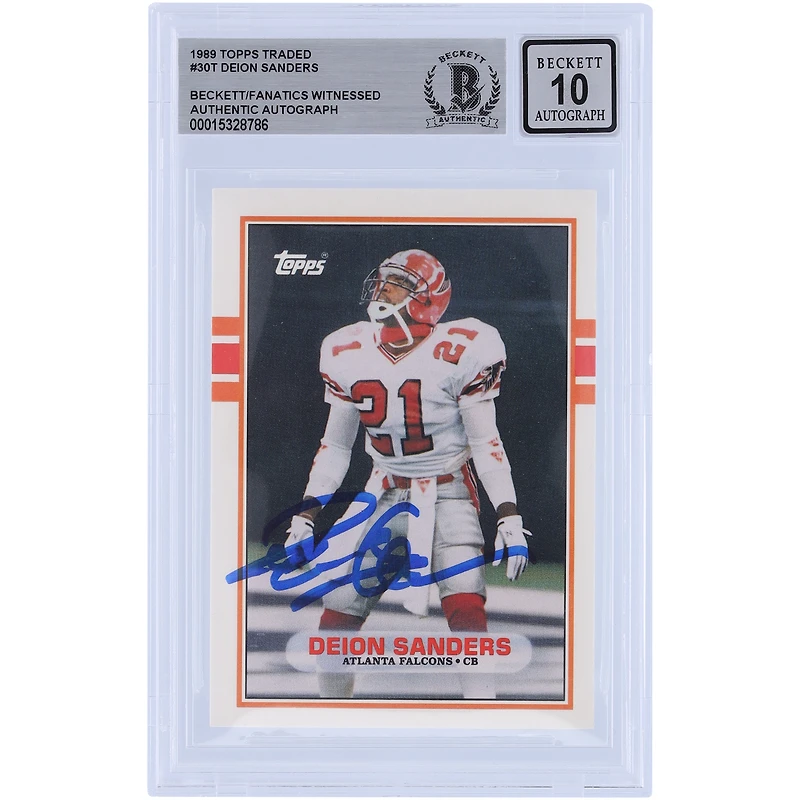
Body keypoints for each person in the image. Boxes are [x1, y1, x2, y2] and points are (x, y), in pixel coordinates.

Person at [284, 248, 531, 698]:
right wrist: (306, 515)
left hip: (448, 490)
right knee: (336, 616)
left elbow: (486, 442)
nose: (383, 290)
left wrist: (508, 516)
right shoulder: (347, 350)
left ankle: (484, 717)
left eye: (399, 284)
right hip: (381, 491)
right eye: (383, 281)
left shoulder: (463, 349)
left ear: (428, 299)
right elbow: (335, 446)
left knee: (467, 610)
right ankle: (330, 716)